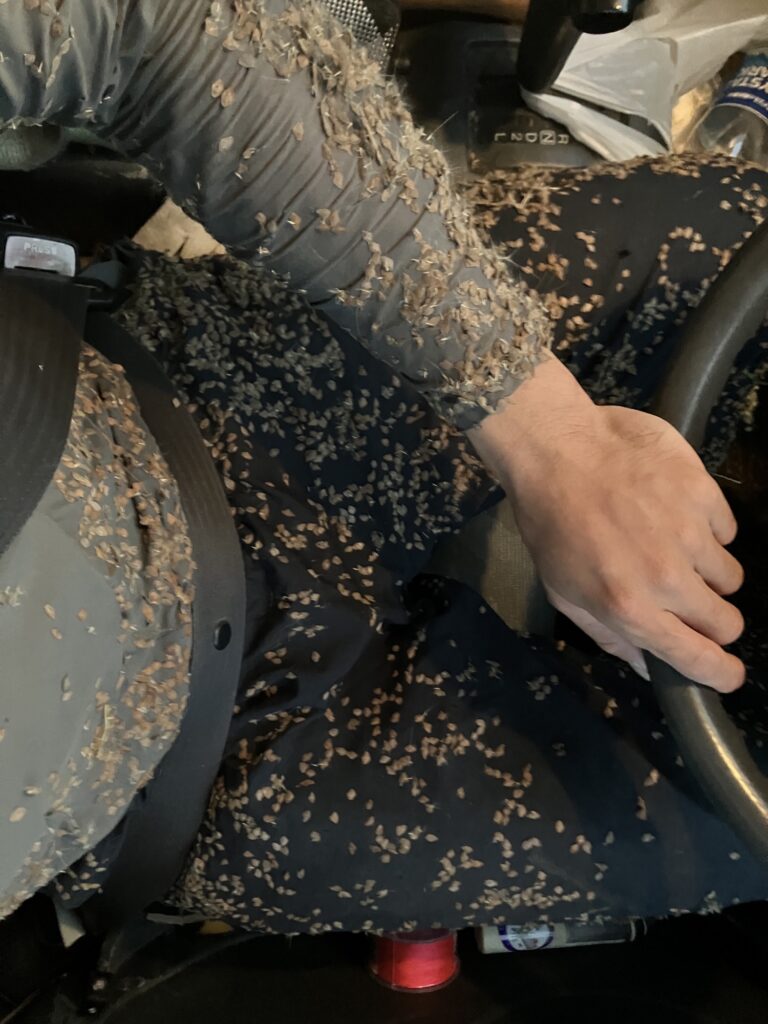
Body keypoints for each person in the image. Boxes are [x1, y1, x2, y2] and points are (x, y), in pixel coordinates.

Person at [0, 0, 766, 934]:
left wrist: (550, 432)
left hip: (190, 389)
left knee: (736, 236)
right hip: (205, 774)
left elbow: (149, 23)